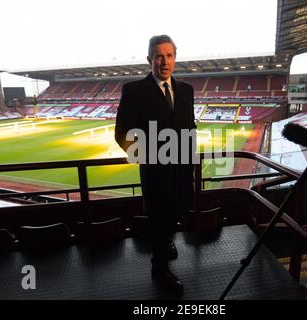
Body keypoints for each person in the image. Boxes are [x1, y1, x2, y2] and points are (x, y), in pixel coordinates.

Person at [115, 35, 196, 295]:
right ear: (150, 59)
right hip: (155, 172)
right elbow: (122, 133)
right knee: (159, 219)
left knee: (175, 213)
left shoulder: (186, 90)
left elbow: (189, 127)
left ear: (175, 58)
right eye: (159, 56)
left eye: (169, 55)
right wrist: (149, 158)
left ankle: (165, 244)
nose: (165, 61)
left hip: (181, 170)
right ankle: (159, 269)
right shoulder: (134, 90)